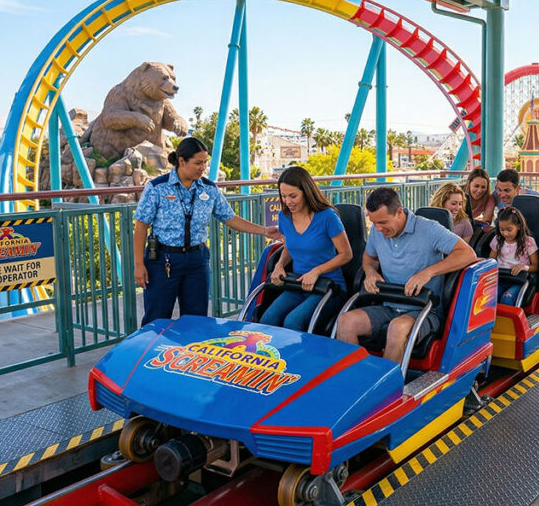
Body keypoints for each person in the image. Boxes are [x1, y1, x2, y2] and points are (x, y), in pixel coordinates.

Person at [133, 137, 278, 327]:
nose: (203, 168)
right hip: (163, 260)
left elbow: (230, 218)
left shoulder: (209, 189)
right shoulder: (157, 188)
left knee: (196, 319)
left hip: (197, 261)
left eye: (205, 163)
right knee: (156, 319)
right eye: (198, 163)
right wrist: (139, 264)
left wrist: (264, 230)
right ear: (182, 161)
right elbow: (141, 225)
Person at [336, 187, 477, 363]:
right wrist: (370, 272)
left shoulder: (428, 228)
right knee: (345, 322)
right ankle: (357, 380)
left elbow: (467, 254)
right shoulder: (378, 232)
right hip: (389, 305)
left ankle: (387, 389)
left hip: (424, 310)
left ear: (399, 212)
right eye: (374, 223)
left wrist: (428, 272)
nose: (378, 229)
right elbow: (369, 257)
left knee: (397, 328)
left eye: (383, 222)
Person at [263, 166, 353, 332]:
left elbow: (346, 254)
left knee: (293, 321)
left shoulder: (327, 217)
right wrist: (279, 265)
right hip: (298, 284)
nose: (287, 201)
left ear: (306, 192)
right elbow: (290, 246)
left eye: (293, 196)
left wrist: (316, 271)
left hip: (329, 286)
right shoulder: (284, 216)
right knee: (268, 319)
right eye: (283, 196)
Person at [489, 207, 539, 305]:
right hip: (500, 277)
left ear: (519, 227)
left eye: (509, 229)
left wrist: (523, 267)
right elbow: (491, 260)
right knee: (489, 298)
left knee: (506, 299)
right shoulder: (498, 240)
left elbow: (536, 266)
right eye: (502, 230)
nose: (505, 233)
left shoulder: (528, 242)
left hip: (518, 280)